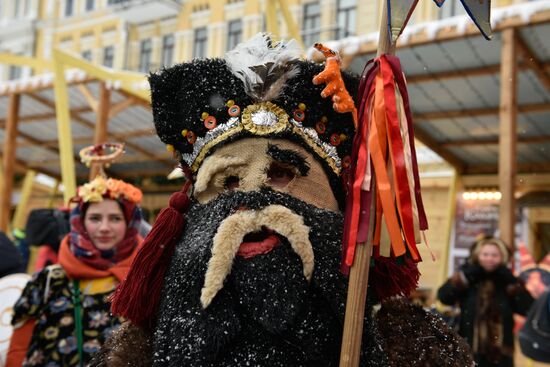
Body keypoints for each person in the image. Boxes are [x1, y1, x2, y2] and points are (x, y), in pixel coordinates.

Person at [91, 34, 473, 367]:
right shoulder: (139, 352)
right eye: (228, 181)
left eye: (281, 174)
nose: (253, 198)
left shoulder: (408, 347)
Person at [5, 174, 143, 367]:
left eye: (115, 218)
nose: (104, 227)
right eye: (95, 218)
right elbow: (18, 350)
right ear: (80, 221)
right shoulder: (48, 280)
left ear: (130, 223)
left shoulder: (144, 280)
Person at [438, 237, 534, 367]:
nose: (489, 259)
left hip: (501, 354)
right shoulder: (468, 277)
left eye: (494, 255)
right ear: (478, 255)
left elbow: (528, 309)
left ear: (502, 257)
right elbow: (444, 297)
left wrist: (512, 283)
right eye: (485, 254)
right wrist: (464, 277)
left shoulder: (506, 280)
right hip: (469, 349)